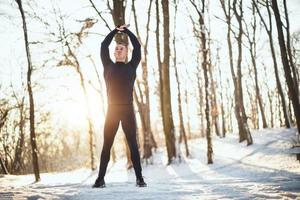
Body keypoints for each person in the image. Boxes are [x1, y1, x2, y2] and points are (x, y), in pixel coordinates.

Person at [92, 24, 146, 188]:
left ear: (126, 52)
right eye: (116, 49)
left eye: (121, 48)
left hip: (128, 110)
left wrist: (126, 31)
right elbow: (103, 46)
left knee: (133, 145)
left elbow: (137, 46)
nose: (118, 50)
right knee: (107, 145)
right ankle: (100, 179)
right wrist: (115, 31)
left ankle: (139, 179)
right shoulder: (108, 66)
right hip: (112, 111)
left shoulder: (132, 66)